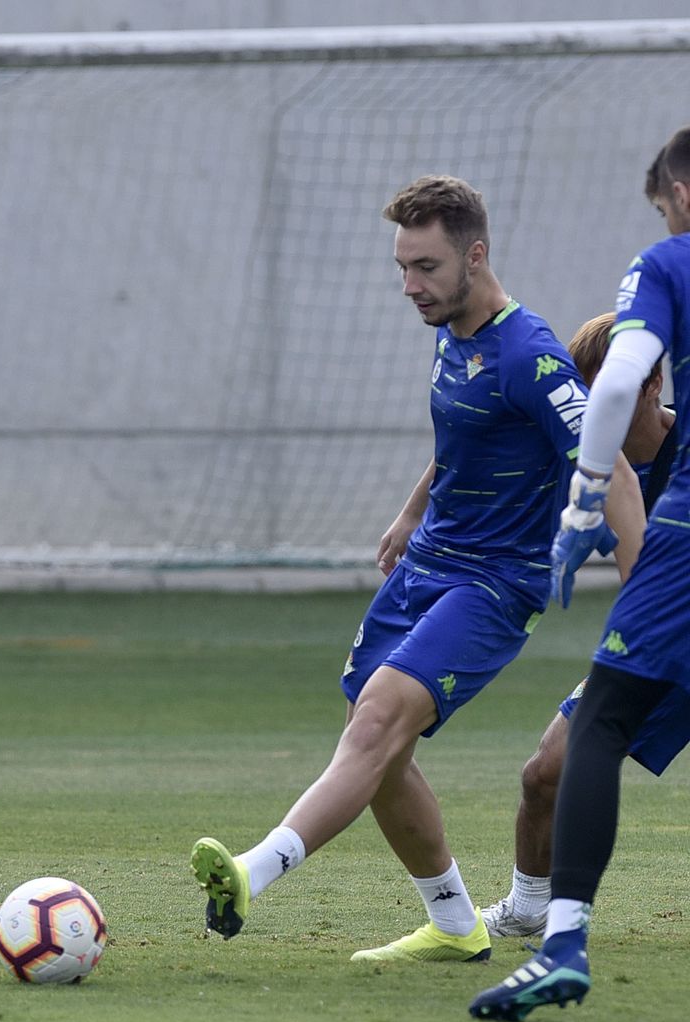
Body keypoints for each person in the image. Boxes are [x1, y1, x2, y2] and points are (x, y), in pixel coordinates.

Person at [190, 175, 636, 963]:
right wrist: (408, 511)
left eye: (425, 267)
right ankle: (457, 924)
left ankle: (253, 873)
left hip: (493, 585)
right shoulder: (451, 333)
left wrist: (643, 586)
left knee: (375, 723)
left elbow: (611, 465)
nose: (410, 286)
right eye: (402, 267)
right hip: (427, 563)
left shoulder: (531, 356)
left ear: (476, 254)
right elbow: (463, 437)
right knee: (382, 748)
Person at [470, 127, 690, 1020]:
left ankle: (561, 944)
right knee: (557, 756)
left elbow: (615, 381)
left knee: (599, 721)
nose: (668, 220)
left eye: (667, 205)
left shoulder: (670, 264)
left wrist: (581, 504)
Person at [479, 313, 681, 940]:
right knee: (545, 773)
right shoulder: (582, 450)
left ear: (650, 386)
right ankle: (527, 908)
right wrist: (410, 518)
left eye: (607, 398)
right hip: (651, 647)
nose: (591, 418)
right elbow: (473, 444)